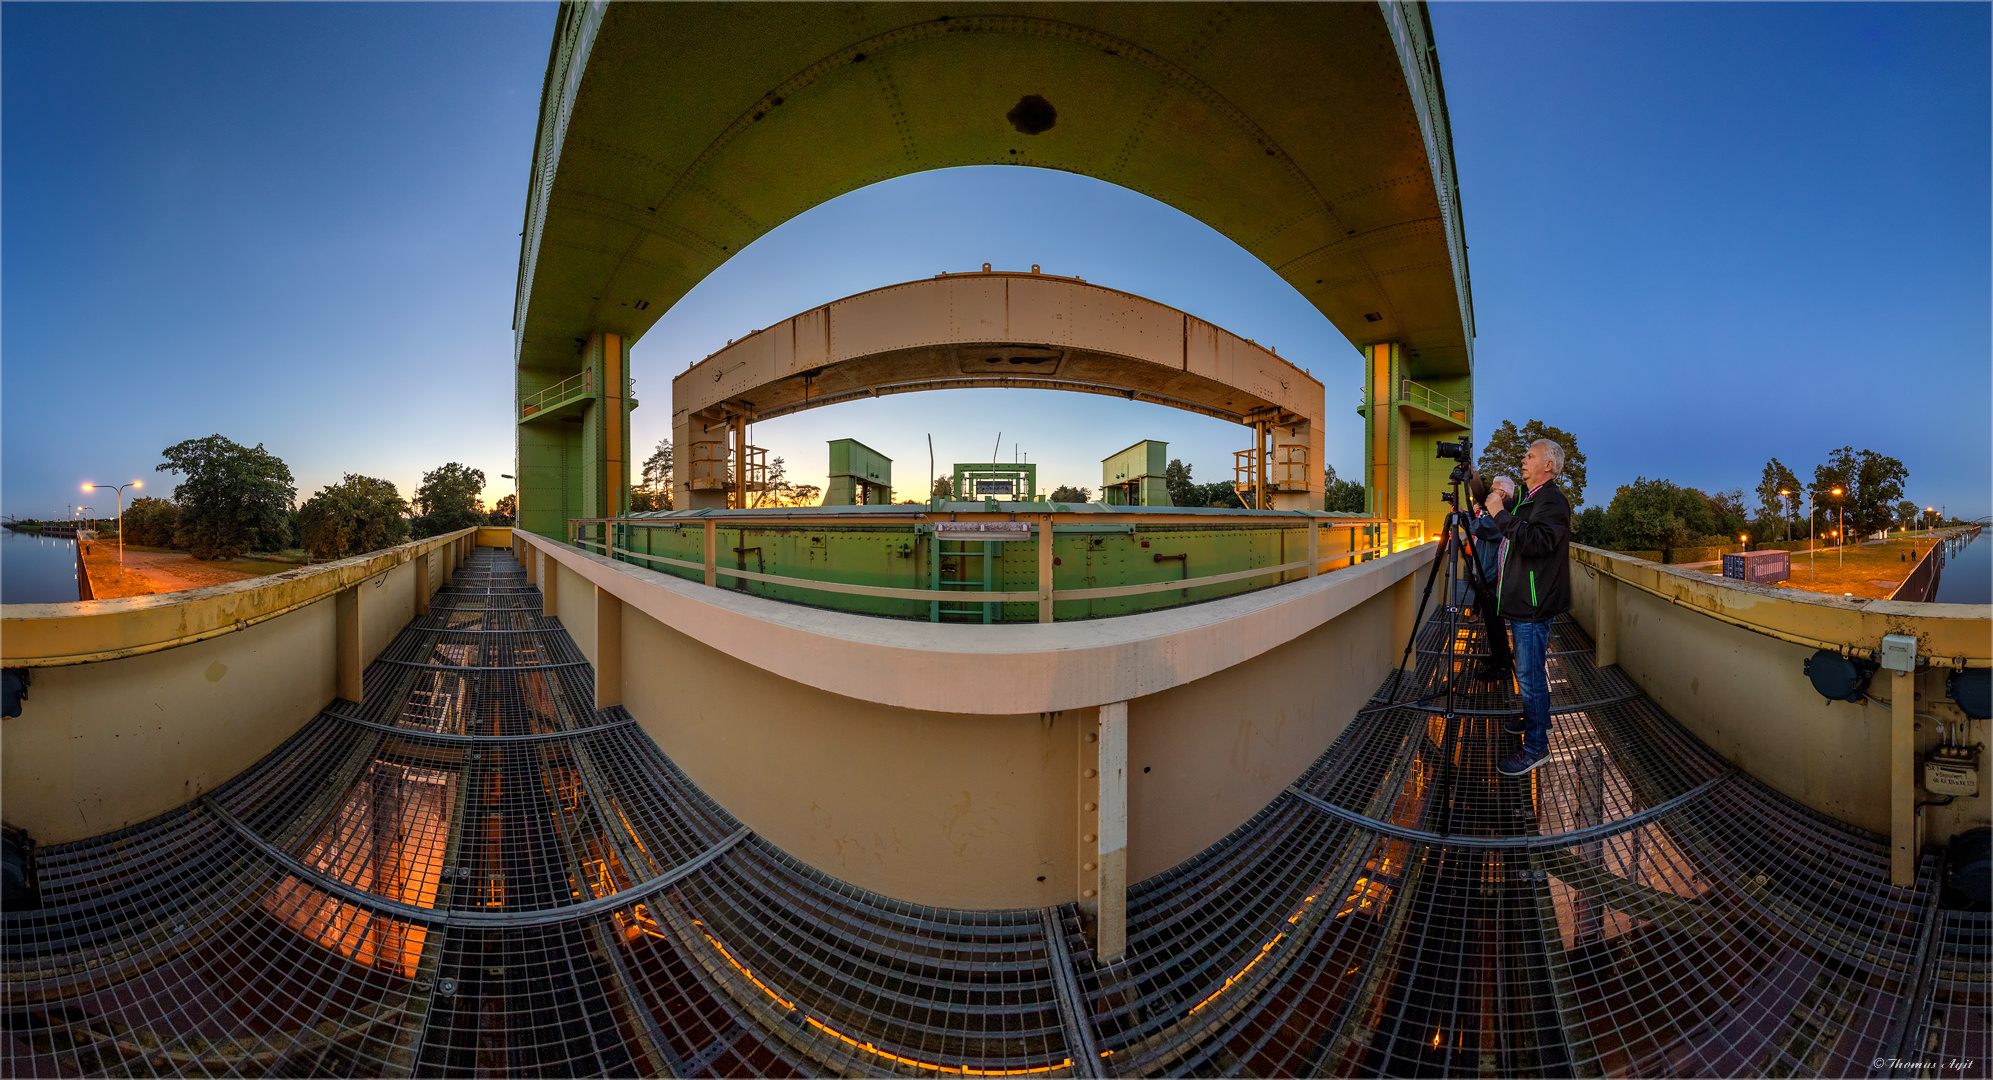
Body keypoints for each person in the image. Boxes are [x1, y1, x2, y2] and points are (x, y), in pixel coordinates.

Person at [1484, 440, 1573, 776]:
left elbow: (1535, 542)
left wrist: (1499, 513)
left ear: (1548, 466)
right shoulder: (1534, 499)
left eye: (1530, 456)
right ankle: (1538, 721)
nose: (1523, 459)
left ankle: (1536, 747)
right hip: (1528, 600)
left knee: (1530, 675)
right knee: (1530, 671)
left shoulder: (1552, 501)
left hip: (1533, 605)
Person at [1469, 476, 1516, 682]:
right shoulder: (1499, 515)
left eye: (1493, 490)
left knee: (1495, 623)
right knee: (1493, 623)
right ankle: (1499, 655)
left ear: (1502, 495)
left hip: (1491, 578)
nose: (1489, 494)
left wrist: (1467, 510)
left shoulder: (1501, 517)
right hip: (1488, 576)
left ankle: (1504, 665)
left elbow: (1476, 527)